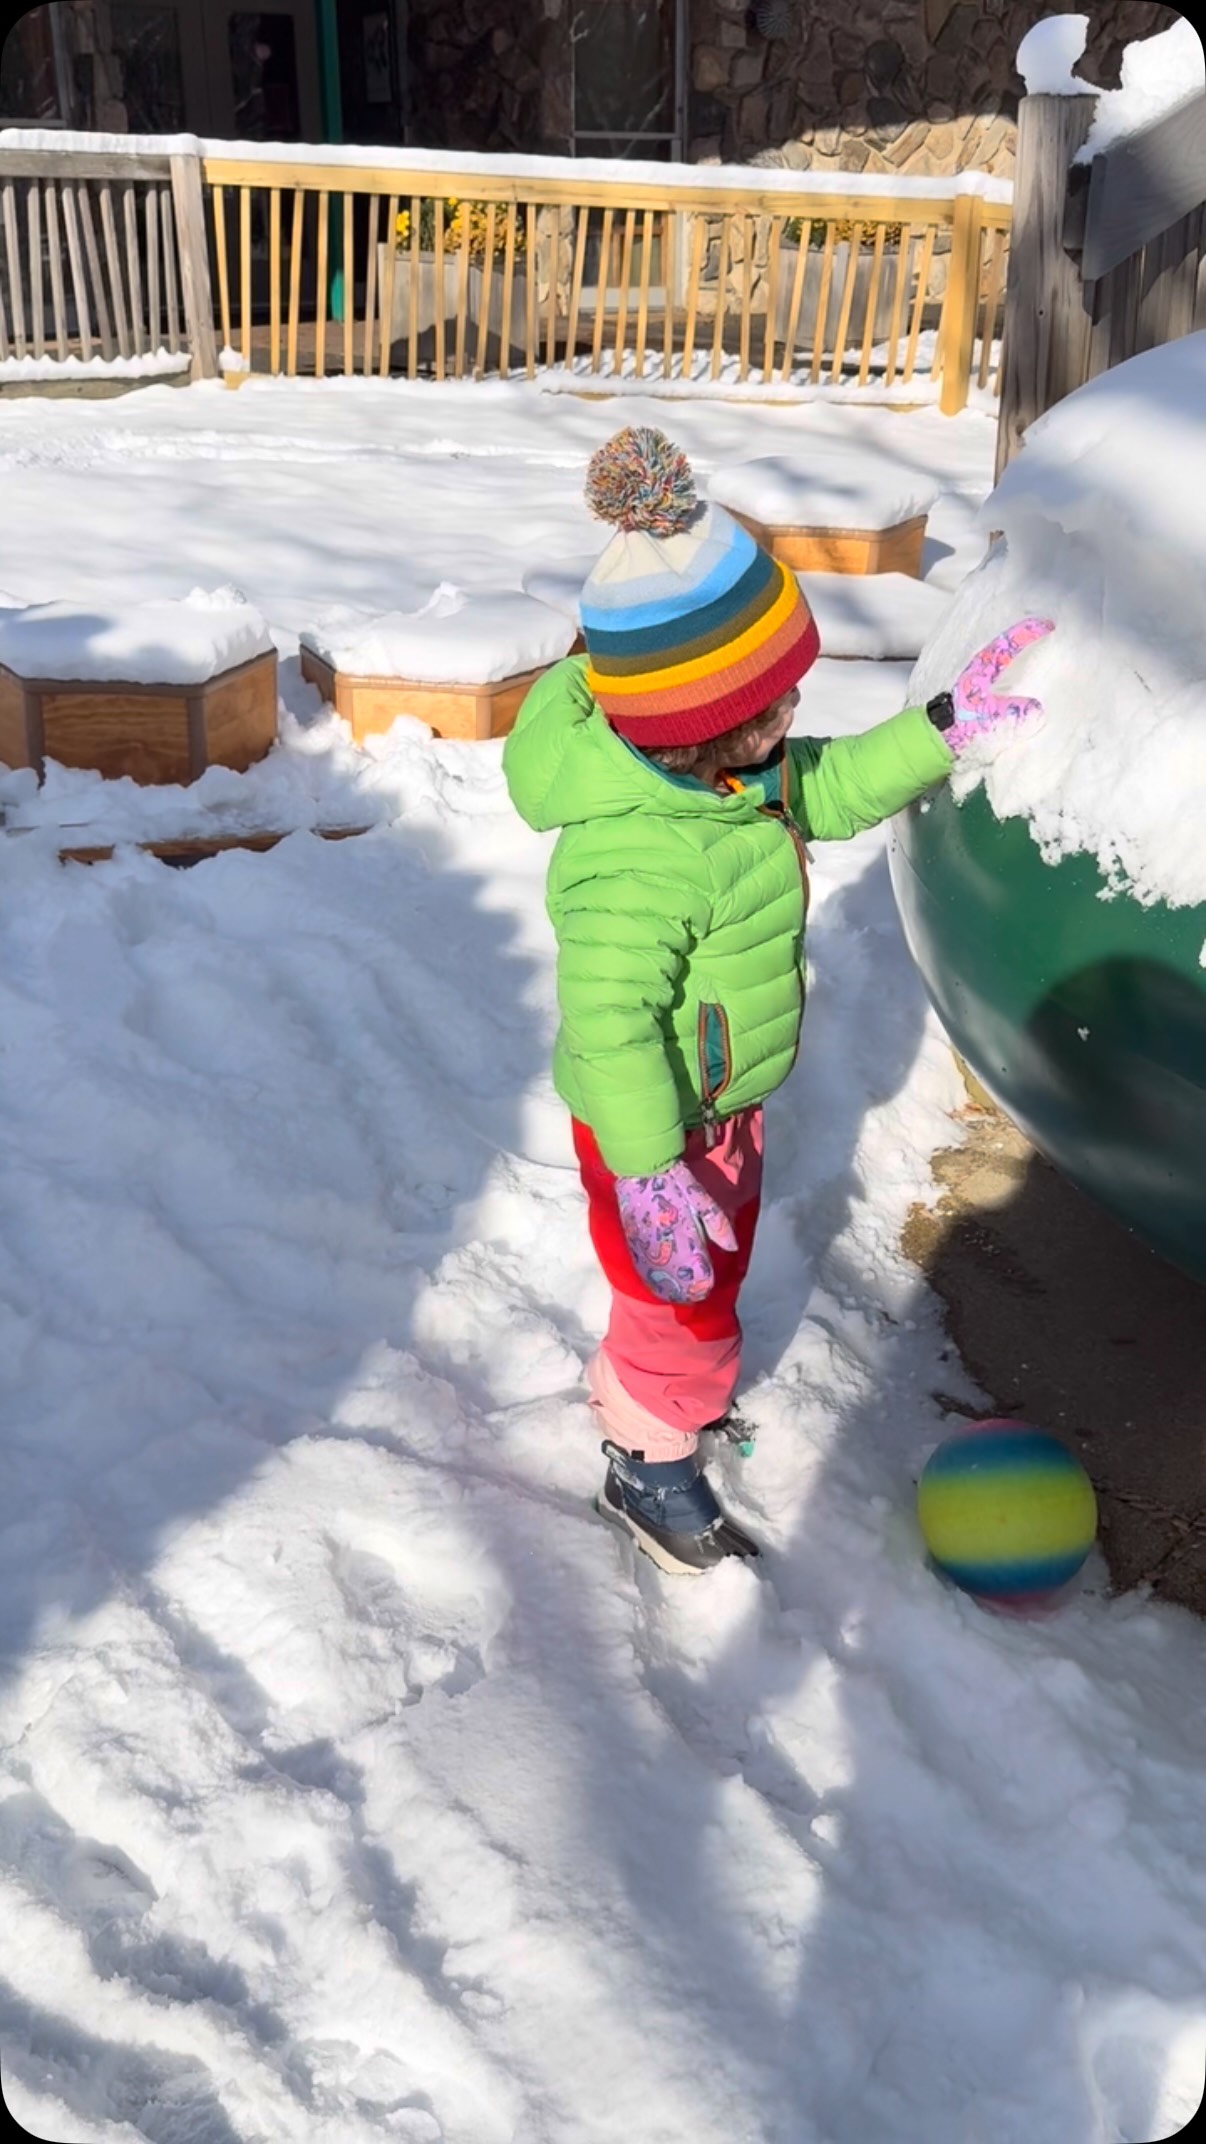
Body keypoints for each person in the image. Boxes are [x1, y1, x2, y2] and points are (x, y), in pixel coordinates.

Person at [504, 426, 1051, 1576]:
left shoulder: (728, 776)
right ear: (690, 731)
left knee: (703, 1274)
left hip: (714, 1104)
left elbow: (832, 787)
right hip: (656, 1120)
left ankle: (654, 1392)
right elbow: (608, 1026)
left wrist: (942, 731)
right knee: (683, 1295)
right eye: (772, 708)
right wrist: (650, 1166)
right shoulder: (640, 861)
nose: (791, 721)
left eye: (791, 696)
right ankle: (647, 1461)